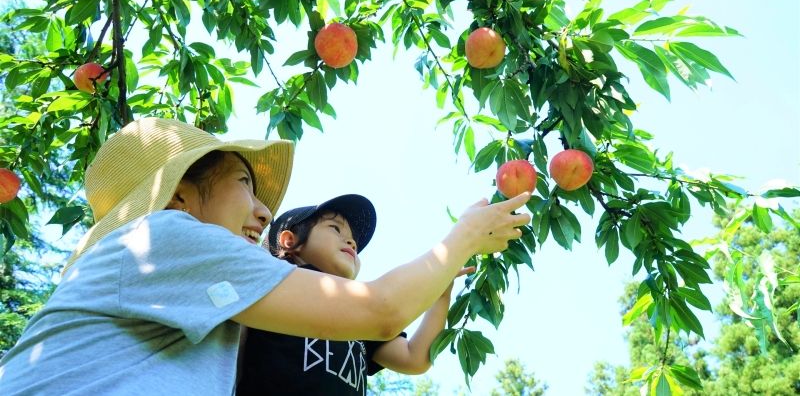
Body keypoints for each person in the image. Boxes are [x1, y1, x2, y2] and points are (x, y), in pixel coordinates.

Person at [0, 118, 530, 395]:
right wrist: (465, 234)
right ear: (181, 193)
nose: (261, 211)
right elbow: (380, 310)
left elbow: (404, 346)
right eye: (245, 184)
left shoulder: (215, 304)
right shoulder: (162, 236)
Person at [236, 194, 473, 395]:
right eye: (335, 228)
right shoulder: (276, 279)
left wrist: (441, 294)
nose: (350, 241)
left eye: (355, 243)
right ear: (289, 240)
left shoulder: (357, 311)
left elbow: (415, 357)